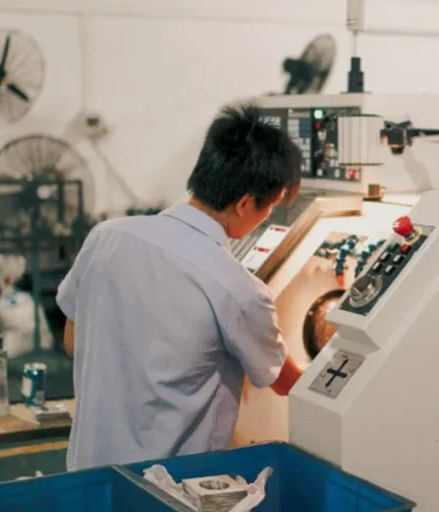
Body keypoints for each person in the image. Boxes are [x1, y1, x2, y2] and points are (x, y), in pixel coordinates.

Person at [57, 102, 304, 471]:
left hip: (89, 473)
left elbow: (72, 341)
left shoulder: (105, 237)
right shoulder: (238, 290)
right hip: (170, 487)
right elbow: (288, 384)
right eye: (270, 206)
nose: (267, 216)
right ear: (245, 203)